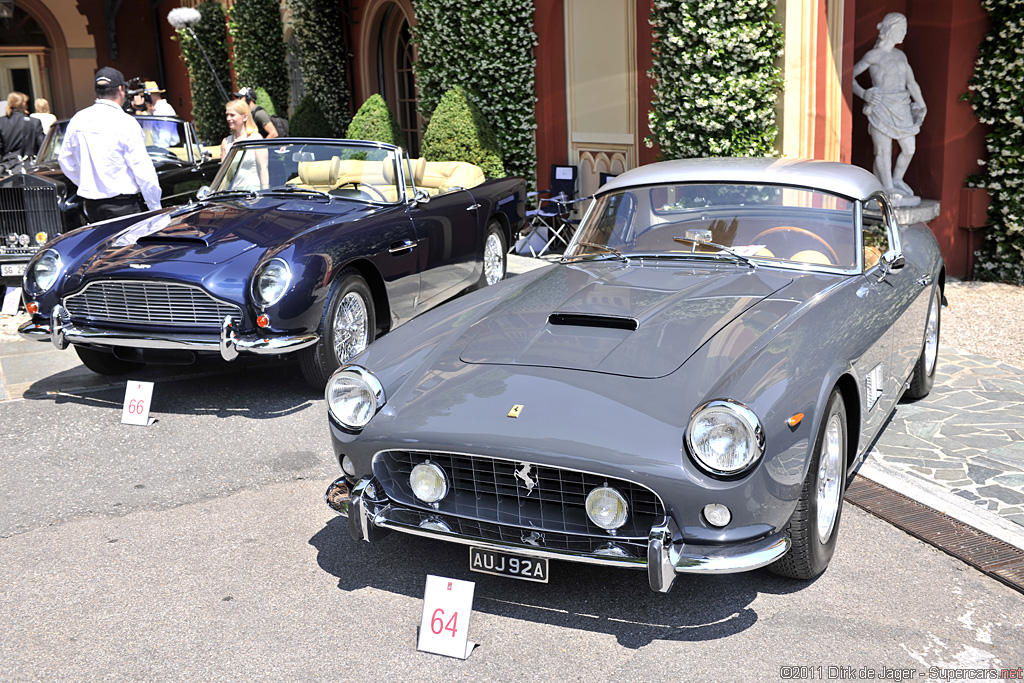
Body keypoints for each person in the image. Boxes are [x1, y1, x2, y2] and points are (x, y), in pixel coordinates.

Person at [58, 66, 161, 222]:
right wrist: (155, 207)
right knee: (128, 247)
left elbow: (65, 160)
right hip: (123, 204)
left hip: (92, 205)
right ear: (121, 89)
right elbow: (142, 169)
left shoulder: (78, 119)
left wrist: (88, 183)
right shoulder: (126, 122)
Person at [852, 12, 927, 203]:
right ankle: (887, 188)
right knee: (883, 151)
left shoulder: (901, 55)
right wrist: (864, 93)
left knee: (909, 148)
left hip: (902, 106)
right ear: (891, 29)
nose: (904, 34)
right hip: (881, 107)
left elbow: (912, 83)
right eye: (901, 29)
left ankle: (897, 179)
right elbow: (849, 77)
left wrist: (921, 103)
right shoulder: (874, 55)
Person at [220, 98, 268, 190]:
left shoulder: (255, 139)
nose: (228, 118)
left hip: (253, 194)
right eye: (227, 115)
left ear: (245, 117)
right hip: (233, 195)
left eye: (232, 115)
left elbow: (264, 169)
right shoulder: (226, 142)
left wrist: (264, 195)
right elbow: (223, 175)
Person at [0, 91, 45, 161]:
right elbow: (42, 146)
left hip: (8, 166)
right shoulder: (34, 122)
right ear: (24, 104)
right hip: (29, 164)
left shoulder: (1, 122)